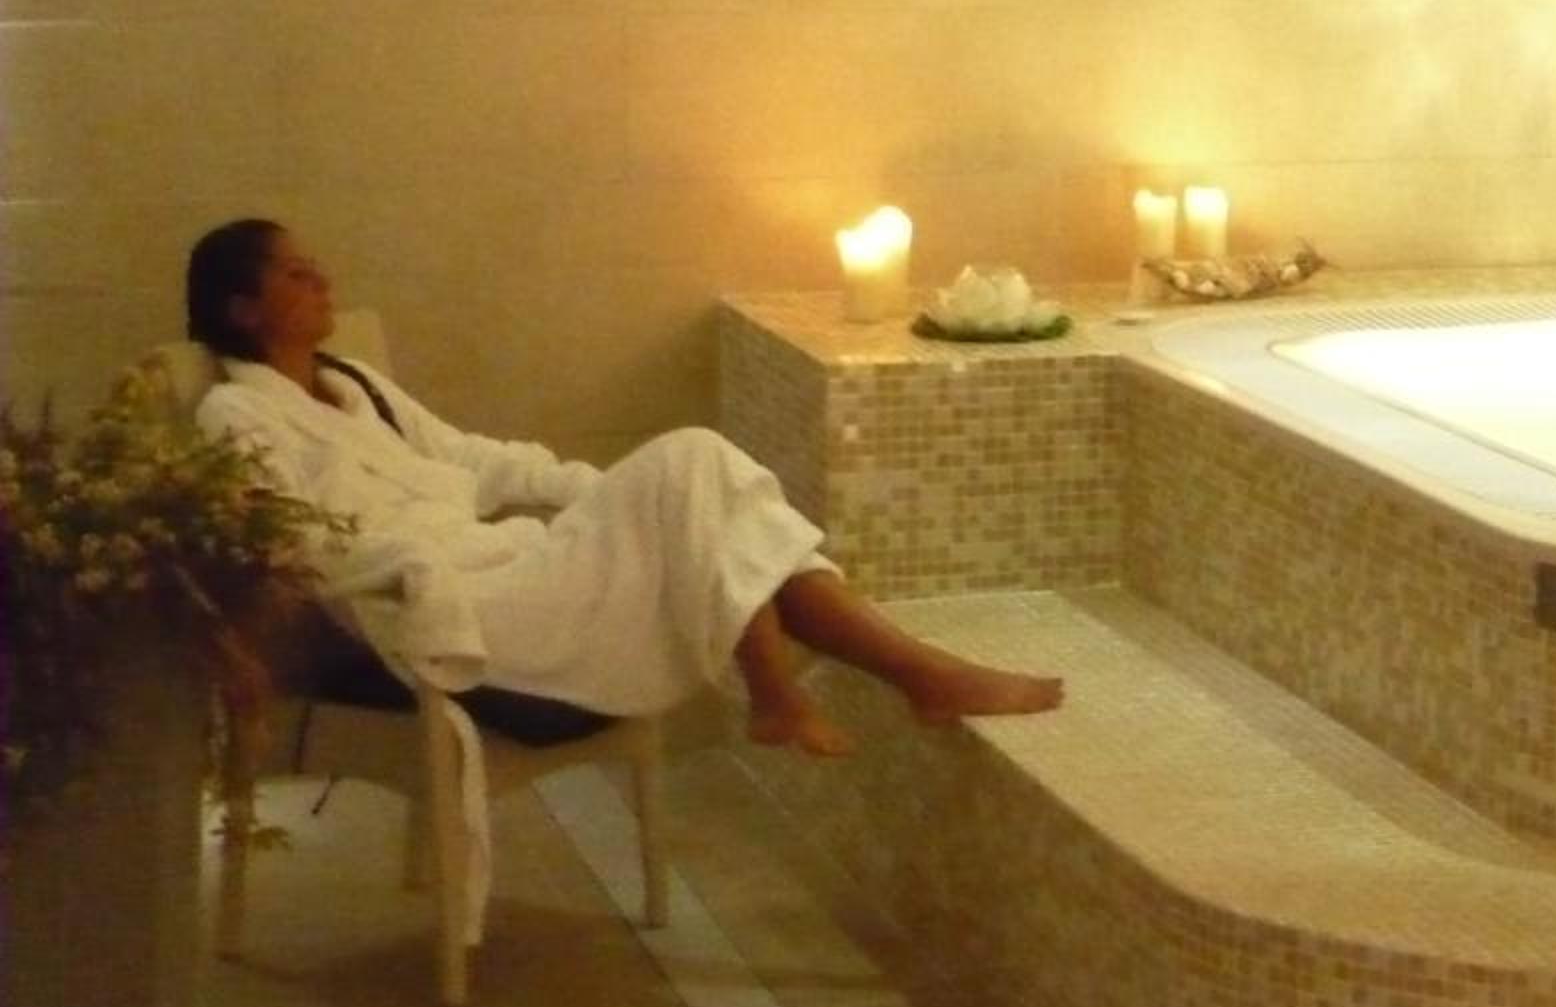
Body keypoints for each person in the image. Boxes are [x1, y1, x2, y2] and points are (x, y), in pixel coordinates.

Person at [183, 218, 1059, 756]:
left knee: (700, 482)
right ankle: (871, 680)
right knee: (696, 468)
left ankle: (839, 688)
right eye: (294, 273)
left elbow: (477, 460)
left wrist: (598, 492)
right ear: (242, 310)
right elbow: (294, 544)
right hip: (444, 605)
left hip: (515, 569)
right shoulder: (235, 413)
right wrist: (412, 562)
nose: (323, 280)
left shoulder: (353, 384)